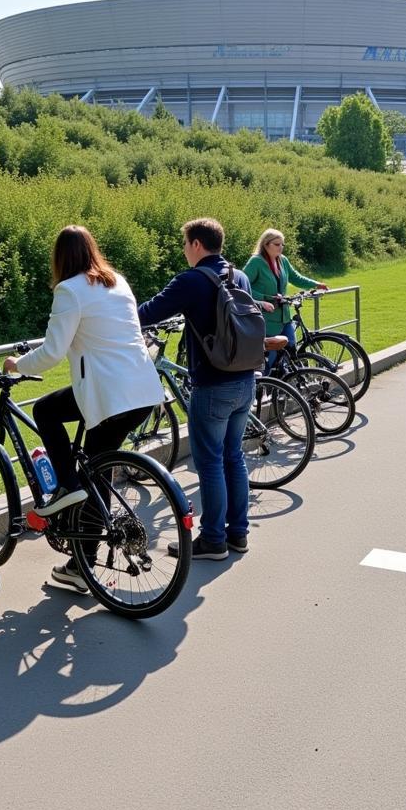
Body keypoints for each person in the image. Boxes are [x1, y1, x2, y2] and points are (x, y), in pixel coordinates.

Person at [4, 225, 164, 591]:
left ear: (60, 258)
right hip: (140, 390)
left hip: (108, 394)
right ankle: (82, 557)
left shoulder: (69, 290)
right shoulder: (116, 282)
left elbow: (52, 352)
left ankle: (67, 491)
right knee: (99, 467)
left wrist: (17, 364)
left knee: (45, 411)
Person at [137, 217, 258, 561]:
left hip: (213, 384)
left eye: (184, 244)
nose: (184, 251)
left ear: (196, 245)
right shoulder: (240, 276)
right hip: (245, 378)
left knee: (210, 462)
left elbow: (146, 313)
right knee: (234, 456)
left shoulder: (191, 280)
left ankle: (213, 540)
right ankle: (238, 534)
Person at [243, 228, 328, 372]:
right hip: (265, 318)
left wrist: (316, 284)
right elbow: (242, 285)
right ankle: (265, 386)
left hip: (284, 316)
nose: (281, 247)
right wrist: (263, 299)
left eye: (282, 244)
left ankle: (285, 384)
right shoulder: (256, 262)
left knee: (290, 348)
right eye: (277, 244)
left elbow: (296, 277)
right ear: (266, 244)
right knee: (271, 357)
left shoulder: (283, 261)